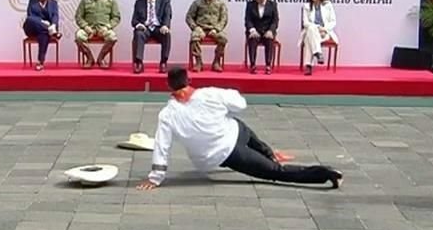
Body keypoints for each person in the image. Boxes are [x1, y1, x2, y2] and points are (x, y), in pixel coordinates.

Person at [136, 67, 343, 190]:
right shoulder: (211, 94)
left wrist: (156, 178)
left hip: (229, 147)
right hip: (235, 139)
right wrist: (226, 105)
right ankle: (271, 154)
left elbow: (162, 146)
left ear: (168, 86)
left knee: (276, 172)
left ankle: (324, 173)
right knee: (247, 133)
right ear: (189, 80)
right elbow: (240, 104)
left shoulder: (168, 114)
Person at [75, 0, 121, 69]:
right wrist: (85, 27)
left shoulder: (111, 1)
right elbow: (78, 17)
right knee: (79, 36)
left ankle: (101, 58)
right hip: (89, 29)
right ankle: (89, 58)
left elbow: (116, 17)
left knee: (112, 37)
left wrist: (107, 27)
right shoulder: (85, 0)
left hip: (104, 29)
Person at [185, 0, 229, 72]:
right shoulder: (197, 3)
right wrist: (196, 27)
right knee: (194, 37)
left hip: (214, 29)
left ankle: (216, 62)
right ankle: (198, 62)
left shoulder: (220, 4)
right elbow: (189, 17)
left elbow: (224, 19)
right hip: (200, 28)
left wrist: (217, 29)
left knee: (223, 38)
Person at [131, 0, 172, 74]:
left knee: (167, 34)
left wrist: (165, 25)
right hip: (145, 28)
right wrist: (138, 25)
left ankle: (163, 62)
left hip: (159, 28)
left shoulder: (165, 0)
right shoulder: (139, 2)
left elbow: (167, 15)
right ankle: (139, 62)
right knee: (138, 33)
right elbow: (134, 20)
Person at [299, 0, 339, 75]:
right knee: (310, 30)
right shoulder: (306, 6)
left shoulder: (327, 5)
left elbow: (333, 21)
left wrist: (324, 29)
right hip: (312, 31)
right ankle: (317, 53)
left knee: (309, 38)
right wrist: (317, 28)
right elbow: (305, 23)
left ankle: (309, 66)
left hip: (324, 33)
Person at [23, 0, 60, 71]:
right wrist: (43, 22)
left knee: (44, 35)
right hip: (32, 28)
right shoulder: (32, 0)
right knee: (29, 19)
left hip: (44, 31)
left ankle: (40, 61)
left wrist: (54, 25)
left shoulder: (53, 2)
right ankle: (52, 31)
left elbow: (55, 15)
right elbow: (30, 15)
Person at [244, 0, 279, 74]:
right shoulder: (250, 5)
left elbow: (275, 21)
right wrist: (252, 30)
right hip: (255, 31)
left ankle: (268, 65)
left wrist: (271, 31)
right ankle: (252, 65)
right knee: (253, 39)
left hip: (267, 31)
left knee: (269, 40)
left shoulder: (272, 5)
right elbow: (248, 20)